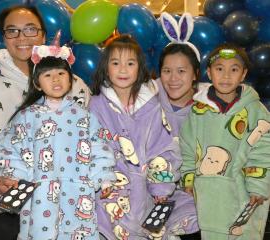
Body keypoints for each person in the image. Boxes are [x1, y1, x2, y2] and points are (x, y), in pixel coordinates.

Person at [0, 5, 89, 240]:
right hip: (6, 205)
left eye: (30, 29)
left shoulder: (75, 87)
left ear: (43, 35)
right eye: (12, 31)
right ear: (3, 37)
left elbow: (87, 145)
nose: (22, 37)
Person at [0, 41, 116, 239]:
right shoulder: (27, 116)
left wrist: (102, 178)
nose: (56, 80)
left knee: (78, 233)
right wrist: (15, 177)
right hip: (40, 196)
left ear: (70, 79)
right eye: (47, 75)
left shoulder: (84, 116)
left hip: (77, 192)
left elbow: (99, 147)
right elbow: (11, 148)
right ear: (36, 83)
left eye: (61, 74)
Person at [89, 34, 198, 240]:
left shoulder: (152, 107)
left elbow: (163, 148)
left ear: (139, 68)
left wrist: (161, 187)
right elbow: (90, 149)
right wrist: (101, 180)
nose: (123, 69)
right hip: (107, 194)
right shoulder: (94, 106)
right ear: (106, 67)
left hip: (143, 193)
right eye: (115, 63)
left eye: (130, 63)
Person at [180, 43, 270, 240]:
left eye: (234, 70)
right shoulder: (197, 112)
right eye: (219, 69)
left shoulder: (256, 111)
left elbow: (264, 151)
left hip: (244, 193)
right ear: (209, 73)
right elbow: (186, 147)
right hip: (207, 195)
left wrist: (258, 185)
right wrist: (188, 176)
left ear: (244, 74)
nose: (226, 76)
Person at [157, 12, 202, 240]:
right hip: (149, 196)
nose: (173, 78)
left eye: (181, 71)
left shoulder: (207, 108)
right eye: (167, 71)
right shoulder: (147, 102)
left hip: (192, 199)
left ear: (195, 74)